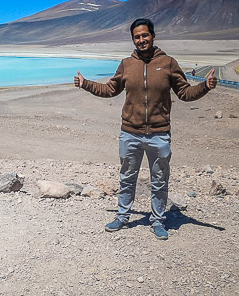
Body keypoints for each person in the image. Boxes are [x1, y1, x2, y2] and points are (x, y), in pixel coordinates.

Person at [73, 18, 217, 240]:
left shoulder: (168, 63)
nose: (141, 40)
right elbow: (111, 89)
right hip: (130, 132)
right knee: (127, 178)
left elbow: (185, 93)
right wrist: (86, 84)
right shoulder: (126, 64)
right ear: (133, 39)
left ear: (153, 36)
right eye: (137, 37)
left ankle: (158, 220)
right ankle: (122, 216)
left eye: (144, 35)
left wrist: (205, 87)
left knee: (159, 180)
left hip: (159, 134)